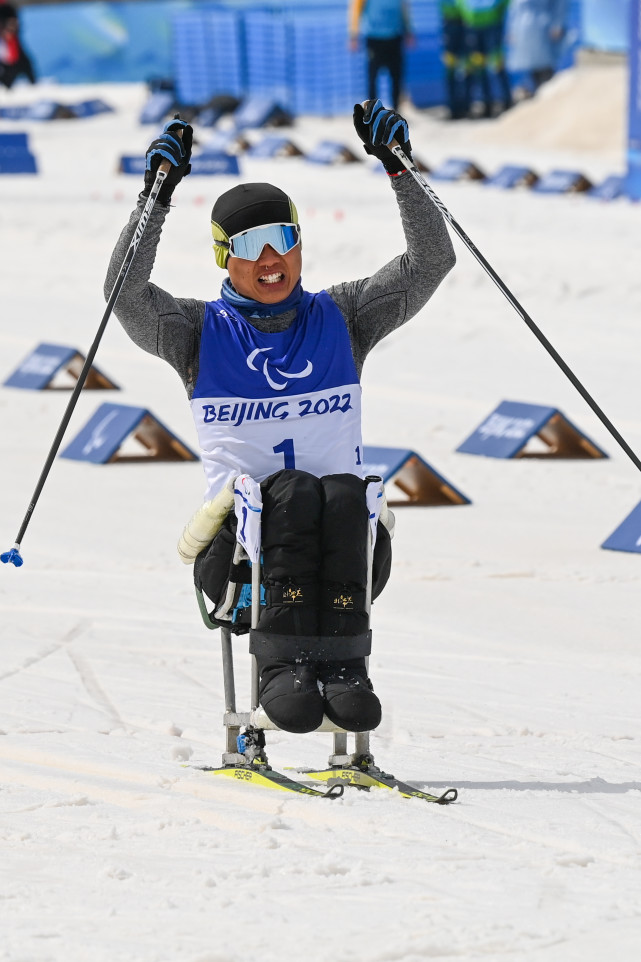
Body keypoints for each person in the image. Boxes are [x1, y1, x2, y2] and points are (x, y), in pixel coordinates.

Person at [104, 101, 455, 736]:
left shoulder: (344, 317)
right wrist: (154, 198)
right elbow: (124, 296)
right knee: (289, 492)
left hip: (345, 554)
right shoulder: (197, 331)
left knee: (347, 493)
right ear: (223, 257)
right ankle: (279, 669)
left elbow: (431, 263)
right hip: (238, 566)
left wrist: (401, 169)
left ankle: (346, 669)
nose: (271, 259)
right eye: (249, 245)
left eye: (284, 239)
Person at [349, 0, 414, 111]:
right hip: (374, 38)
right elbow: (356, 10)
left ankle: (396, 110)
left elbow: (404, 8)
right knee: (372, 78)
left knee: (396, 76)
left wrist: (408, 30)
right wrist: (354, 35)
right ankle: (373, 112)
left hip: (394, 36)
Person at [458, 0, 513, 117]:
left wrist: (497, 15)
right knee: (479, 66)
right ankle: (487, 104)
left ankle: (507, 101)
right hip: (473, 26)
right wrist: (468, 15)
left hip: (493, 25)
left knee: (497, 65)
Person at [505, 0, 568, 94]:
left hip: (544, 28)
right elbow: (514, 9)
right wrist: (511, 29)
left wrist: (557, 24)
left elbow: (560, 5)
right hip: (524, 31)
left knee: (545, 68)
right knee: (531, 67)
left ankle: (549, 96)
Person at [439, 0, 469, 120]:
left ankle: (465, 106)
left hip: (466, 23)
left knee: (466, 68)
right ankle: (454, 108)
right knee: (451, 68)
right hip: (451, 24)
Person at [0, 2, 36, 90]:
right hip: (4, 46)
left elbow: (14, 24)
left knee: (24, 64)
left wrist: (9, 31)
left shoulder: (8, 9)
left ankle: (34, 86)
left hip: (12, 45)